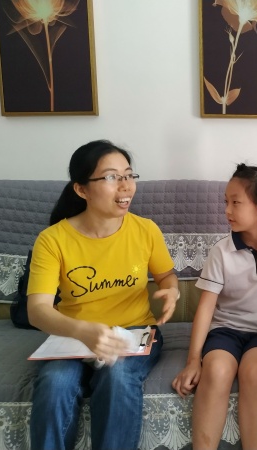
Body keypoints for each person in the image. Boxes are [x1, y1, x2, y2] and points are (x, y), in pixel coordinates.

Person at [27, 140, 179, 450]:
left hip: (133, 333)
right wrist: (84, 331)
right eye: (111, 177)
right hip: (71, 336)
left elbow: (166, 275)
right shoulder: (53, 240)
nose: (125, 186)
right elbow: (37, 310)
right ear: (81, 189)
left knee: (118, 375)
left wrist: (172, 290)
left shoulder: (146, 230)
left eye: (129, 175)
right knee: (55, 383)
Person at [171, 163, 257, 449]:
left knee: (255, 373)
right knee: (216, 371)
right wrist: (193, 360)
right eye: (226, 202)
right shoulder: (221, 251)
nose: (227, 210)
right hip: (225, 330)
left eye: (235, 203)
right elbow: (206, 309)